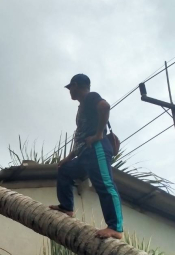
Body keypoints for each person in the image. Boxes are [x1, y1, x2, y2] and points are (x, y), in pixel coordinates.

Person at [50, 74, 124, 239]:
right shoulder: (82, 106)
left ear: (75, 85)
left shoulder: (91, 97)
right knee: (65, 170)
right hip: (84, 154)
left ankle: (116, 228)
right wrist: (68, 159)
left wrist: (98, 134)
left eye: (70, 88)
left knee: (105, 185)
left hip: (97, 149)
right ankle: (67, 208)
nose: (69, 92)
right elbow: (81, 137)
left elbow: (105, 107)